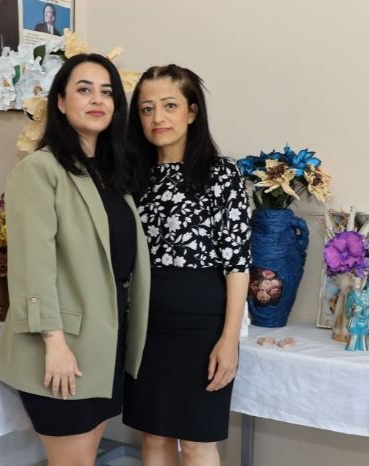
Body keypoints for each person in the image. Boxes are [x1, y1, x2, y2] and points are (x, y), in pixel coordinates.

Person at [0, 54, 150, 466]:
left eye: (107, 92)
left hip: (104, 345)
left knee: (86, 457)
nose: (97, 99)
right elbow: (32, 265)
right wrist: (55, 343)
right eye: (84, 89)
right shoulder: (40, 170)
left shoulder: (111, 176)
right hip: (62, 347)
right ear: (60, 102)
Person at [123, 65, 251, 466]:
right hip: (144, 322)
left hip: (202, 324)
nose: (157, 118)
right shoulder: (131, 176)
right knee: (152, 435)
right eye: (146, 109)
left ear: (192, 112)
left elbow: (237, 263)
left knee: (197, 441)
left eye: (169, 106)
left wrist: (229, 340)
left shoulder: (221, 173)